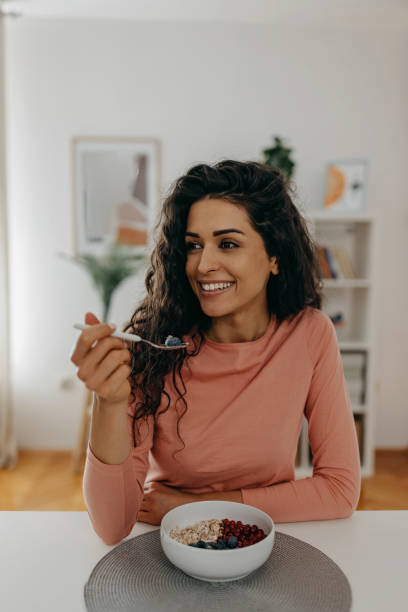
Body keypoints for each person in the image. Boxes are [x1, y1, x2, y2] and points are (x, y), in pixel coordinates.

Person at [70, 160, 361, 546]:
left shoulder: (309, 334)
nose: (204, 265)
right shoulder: (151, 346)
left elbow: (340, 490)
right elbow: (111, 527)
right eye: (193, 246)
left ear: (274, 255)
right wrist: (107, 403)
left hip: (262, 541)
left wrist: (195, 506)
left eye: (228, 243)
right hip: (170, 545)